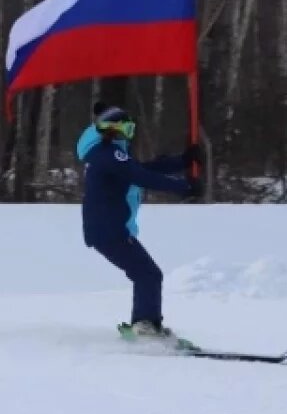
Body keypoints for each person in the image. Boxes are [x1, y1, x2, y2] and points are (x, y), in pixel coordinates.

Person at [76, 104, 203, 337]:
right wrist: (183, 187)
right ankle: (144, 326)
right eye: (128, 127)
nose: (130, 132)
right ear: (114, 128)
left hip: (109, 229)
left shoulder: (106, 152)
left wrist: (182, 161)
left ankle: (147, 324)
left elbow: (141, 168)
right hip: (109, 230)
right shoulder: (109, 154)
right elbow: (141, 176)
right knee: (147, 274)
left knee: (147, 274)